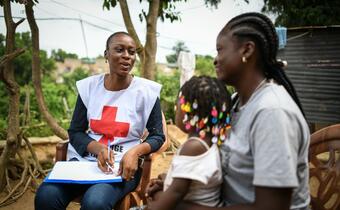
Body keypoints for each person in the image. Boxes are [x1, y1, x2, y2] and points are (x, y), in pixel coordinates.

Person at [146, 12, 310, 210]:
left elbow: (271, 207)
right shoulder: (234, 103)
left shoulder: (272, 113)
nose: (215, 60)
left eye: (220, 50)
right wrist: (175, 182)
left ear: (247, 50)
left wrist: (179, 204)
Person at [35, 31, 165, 210]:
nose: (126, 56)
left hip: (122, 167)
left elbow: (158, 136)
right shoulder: (89, 87)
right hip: (83, 163)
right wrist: (99, 149)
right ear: (106, 54)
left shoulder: (146, 92)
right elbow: (75, 132)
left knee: (95, 202)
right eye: (119, 50)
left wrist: (135, 152)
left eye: (131, 52)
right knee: (46, 196)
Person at [146, 76, 231, 210]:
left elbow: (176, 193)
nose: (176, 109)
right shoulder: (207, 143)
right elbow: (188, 186)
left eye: (178, 105)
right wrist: (166, 181)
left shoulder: (193, 147)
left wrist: (152, 207)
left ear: (188, 111)